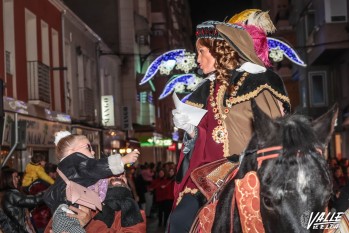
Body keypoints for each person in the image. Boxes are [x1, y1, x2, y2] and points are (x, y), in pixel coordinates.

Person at [169, 15, 290, 232]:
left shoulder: (258, 81)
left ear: (218, 51)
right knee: (180, 219)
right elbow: (204, 134)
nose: (197, 59)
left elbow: (275, 130)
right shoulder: (205, 89)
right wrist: (191, 129)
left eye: (202, 52)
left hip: (251, 169)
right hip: (211, 173)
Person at [43, 130, 139, 233]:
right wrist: (122, 160)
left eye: (122, 175)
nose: (93, 152)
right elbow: (93, 166)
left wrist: (89, 224)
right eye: (88, 147)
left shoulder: (132, 212)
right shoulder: (78, 166)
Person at [0, 167, 44, 233]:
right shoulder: (10, 194)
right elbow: (34, 200)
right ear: (8, 179)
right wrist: (49, 192)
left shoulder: (5, 194)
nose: (18, 179)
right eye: (15, 177)